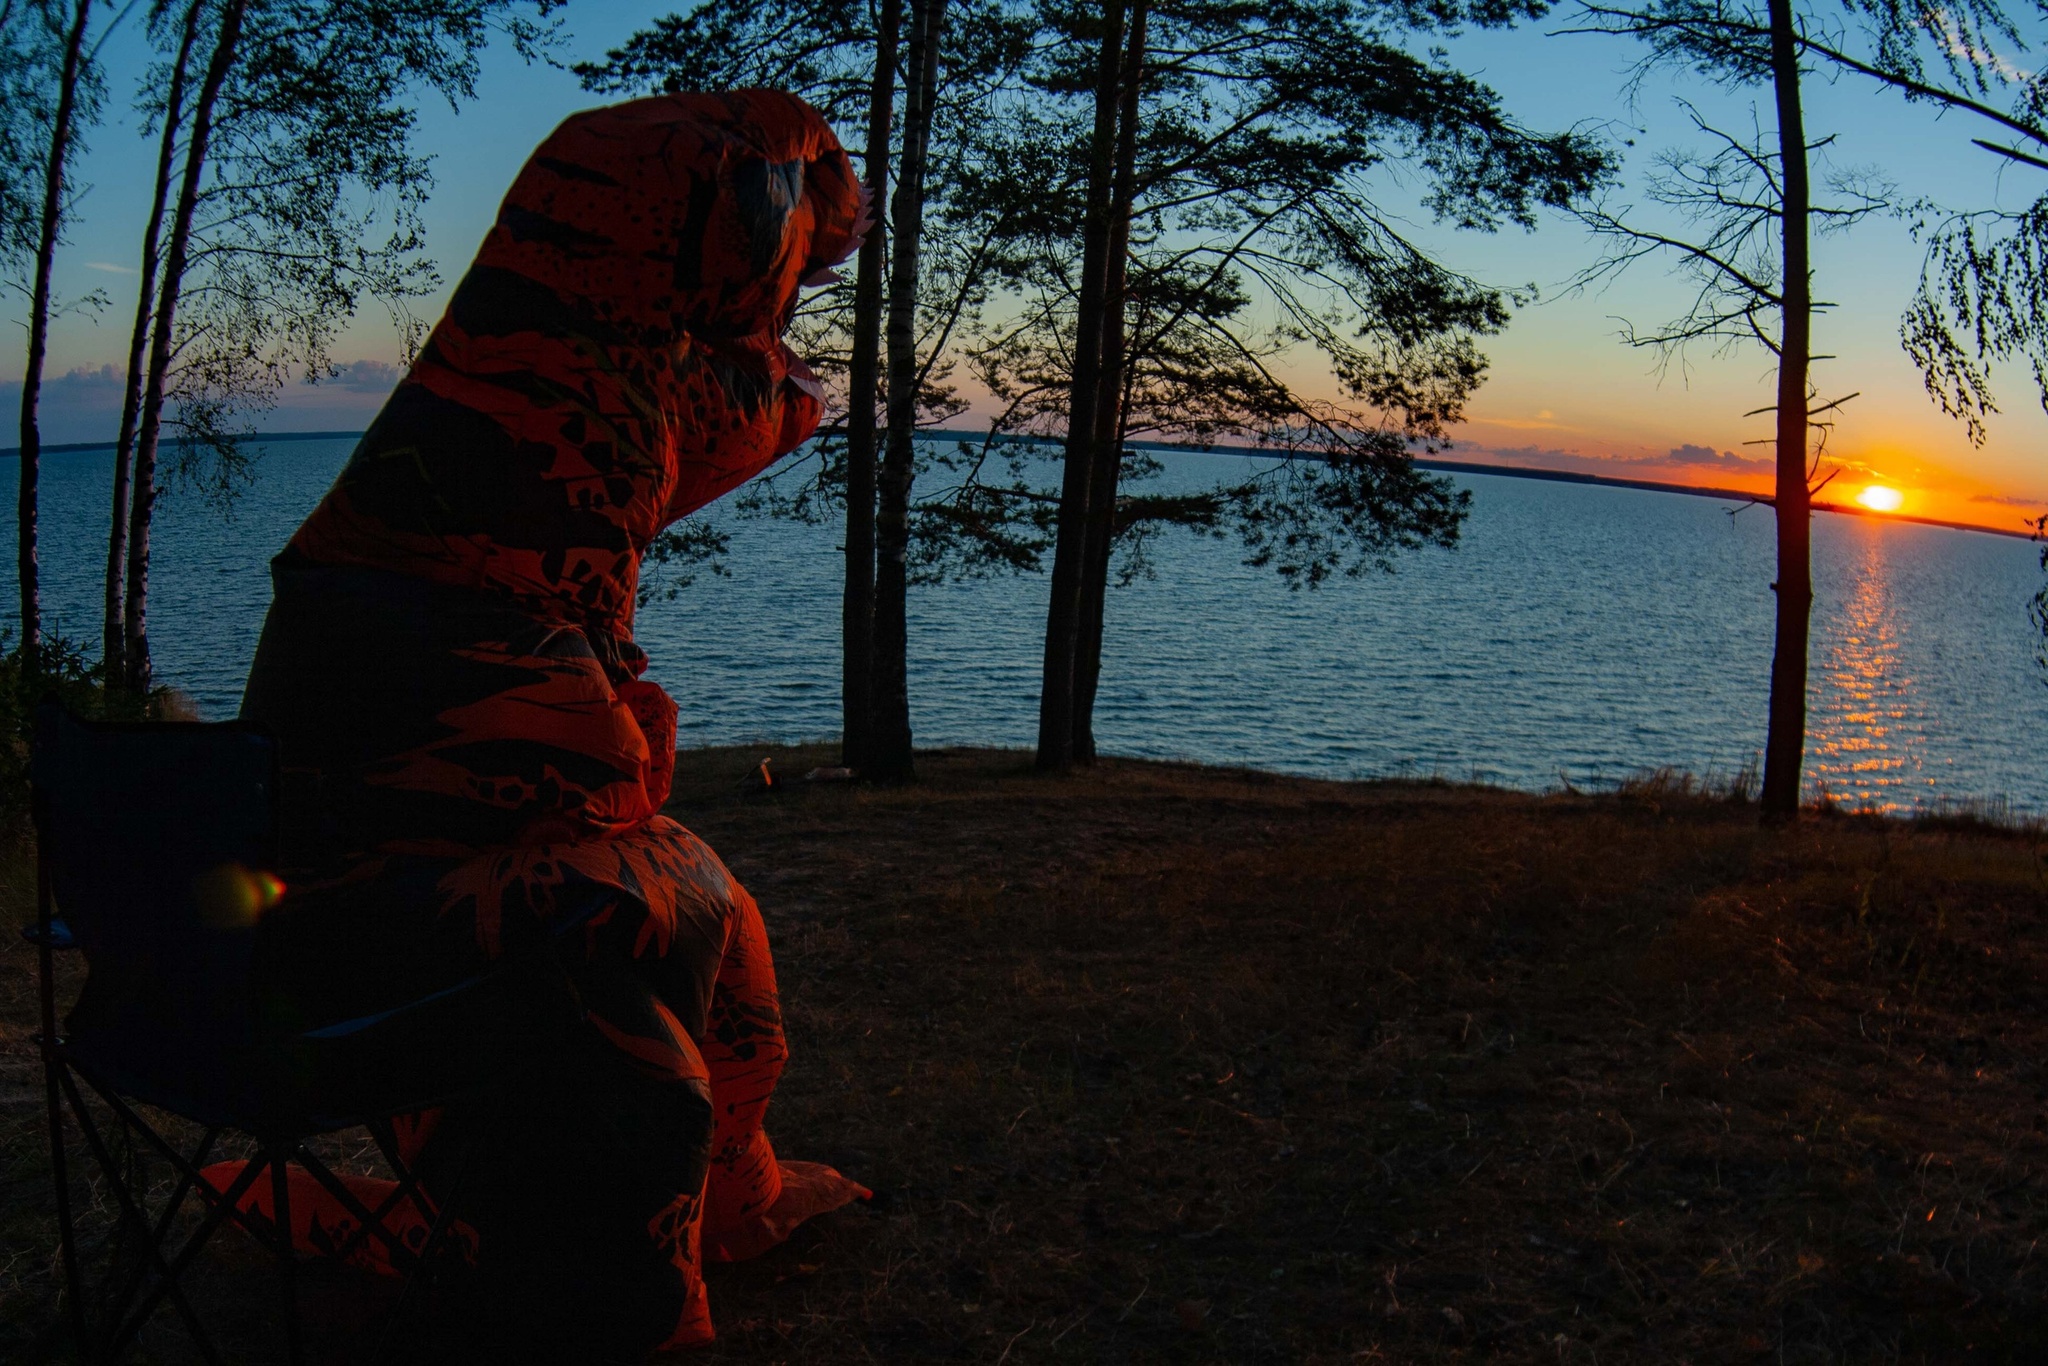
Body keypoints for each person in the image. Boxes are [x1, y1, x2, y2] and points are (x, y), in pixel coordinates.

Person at [213, 89, 870, 1359]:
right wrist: (616, 743)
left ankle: (715, 1204)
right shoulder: (565, 429)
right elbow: (552, 743)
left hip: (290, 945)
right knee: (656, 919)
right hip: (363, 951)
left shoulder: (490, 423)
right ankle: (637, 1288)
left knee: (690, 903)